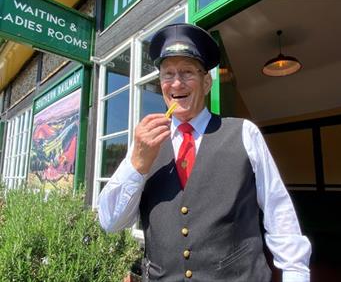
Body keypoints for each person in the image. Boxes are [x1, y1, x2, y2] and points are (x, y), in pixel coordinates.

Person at [98, 23, 311, 282]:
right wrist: (138, 164)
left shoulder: (245, 133)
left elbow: (280, 212)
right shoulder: (144, 144)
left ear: (206, 82)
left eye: (187, 72)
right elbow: (110, 222)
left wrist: (295, 274)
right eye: (168, 74)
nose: (176, 82)